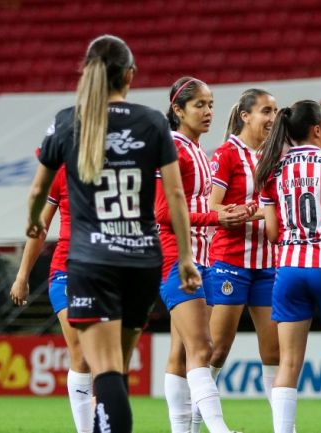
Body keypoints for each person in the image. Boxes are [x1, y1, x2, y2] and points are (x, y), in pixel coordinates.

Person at [26, 35, 203, 433]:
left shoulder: (68, 121)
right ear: (130, 75)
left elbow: (39, 189)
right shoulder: (153, 121)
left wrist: (34, 219)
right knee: (118, 372)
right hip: (142, 260)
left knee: (104, 372)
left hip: (91, 260)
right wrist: (187, 258)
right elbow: (174, 194)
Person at [254, 100, 321, 433]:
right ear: (317, 129)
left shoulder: (273, 168)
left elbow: (272, 232)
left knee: (288, 362)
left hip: (288, 270)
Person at [157, 77, 253, 433]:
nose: (209, 111)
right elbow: (163, 212)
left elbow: (197, 206)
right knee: (203, 346)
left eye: (211, 104)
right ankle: (218, 428)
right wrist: (216, 216)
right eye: (199, 105)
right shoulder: (171, 150)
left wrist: (232, 213)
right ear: (178, 110)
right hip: (178, 259)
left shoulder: (198, 150)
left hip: (204, 257)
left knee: (181, 352)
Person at [207, 89, 280, 407]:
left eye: (275, 112)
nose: (273, 118)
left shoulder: (274, 158)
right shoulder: (226, 154)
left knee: (274, 351)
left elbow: (279, 208)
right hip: (229, 260)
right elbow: (213, 208)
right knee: (217, 349)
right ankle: (195, 423)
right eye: (266, 111)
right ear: (245, 116)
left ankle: (282, 428)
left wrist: (260, 211)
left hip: (267, 264)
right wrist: (251, 211)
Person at [11, 164, 93, 433]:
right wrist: (22, 276)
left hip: (107, 273)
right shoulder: (61, 171)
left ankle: (99, 415)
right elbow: (40, 227)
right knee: (80, 351)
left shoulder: (121, 165)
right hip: (66, 272)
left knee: (108, 357)